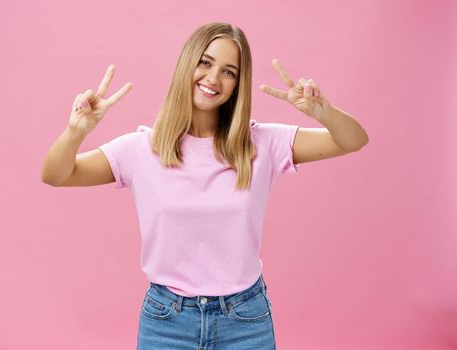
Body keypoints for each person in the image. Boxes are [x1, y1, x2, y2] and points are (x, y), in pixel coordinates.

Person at [41, 22, 368, 350]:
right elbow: (57, 174)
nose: (213, 78)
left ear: (239, 84)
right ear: (188, 64)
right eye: (206, 63)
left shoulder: (263, 143)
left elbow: (353, 140)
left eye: (229, 72)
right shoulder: (140, 149)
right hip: (166, 320)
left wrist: (322, 112)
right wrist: (76, 131)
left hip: (245, 319)